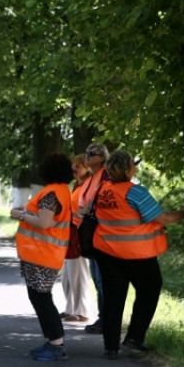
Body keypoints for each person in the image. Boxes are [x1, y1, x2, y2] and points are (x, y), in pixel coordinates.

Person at [92, 149, 184, 360]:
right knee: (149, 290)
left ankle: (111, 348)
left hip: (107, 252)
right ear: (128, 169)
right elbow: (163, 218)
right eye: (133, 165)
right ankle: (134, 340)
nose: (135, 167)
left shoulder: (103, 190)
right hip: (137, 254)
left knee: (113, 299)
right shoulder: (135, 192)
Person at [10, 153, 75, 361]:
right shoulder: (62, 191)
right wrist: (27, 211)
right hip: (45, 254)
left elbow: (44, 223)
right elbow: (46, 217)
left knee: (42, 298)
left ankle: (56, 344)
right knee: (40, 297)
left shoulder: (52, 194)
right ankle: (53, 341)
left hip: (42, 254)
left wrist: (20, 215)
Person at [77, 142, 110, 334]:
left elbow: (102, 202)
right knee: (97, 280)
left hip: (102, 234)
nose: (88, 156)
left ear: (103, 156)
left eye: (93, 153)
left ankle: (106, 319)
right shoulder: (92, 177)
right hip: (91, 233)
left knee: (102, 280)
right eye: (88, 152)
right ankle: (103, 317)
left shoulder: (106, 175)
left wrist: (87, 210)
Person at [59, 154, 97, 324]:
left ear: (88, 167)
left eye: (78, 166)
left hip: (80, 233)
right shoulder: (77, 185)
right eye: (73, 166)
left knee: (78, 272)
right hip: (70, 231)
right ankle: (70, 308)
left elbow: (86, 210)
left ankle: (81, 311)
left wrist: (72, 214)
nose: (74, 169)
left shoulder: (88, 185)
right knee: (67, 274)